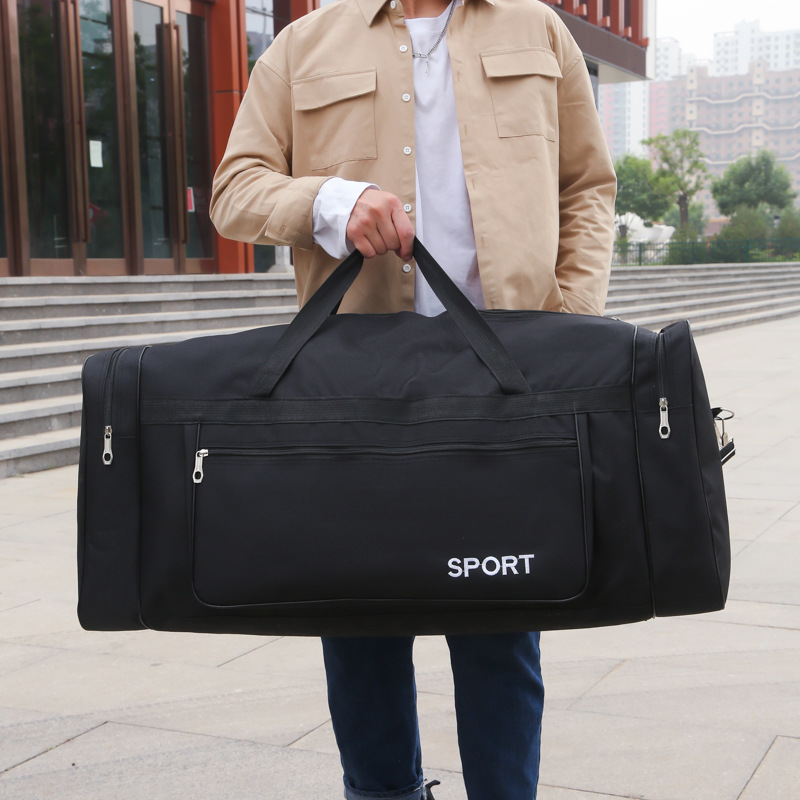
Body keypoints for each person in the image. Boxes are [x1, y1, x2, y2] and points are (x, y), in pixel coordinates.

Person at [210, 0, 616, 797]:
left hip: (504, 378)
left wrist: (568, 324)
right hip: (354, 386)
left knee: (502, 622)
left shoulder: (538, 30)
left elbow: (587, 187)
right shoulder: (301, 45)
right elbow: (235, 189)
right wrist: (331, 203)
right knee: (357, 619)